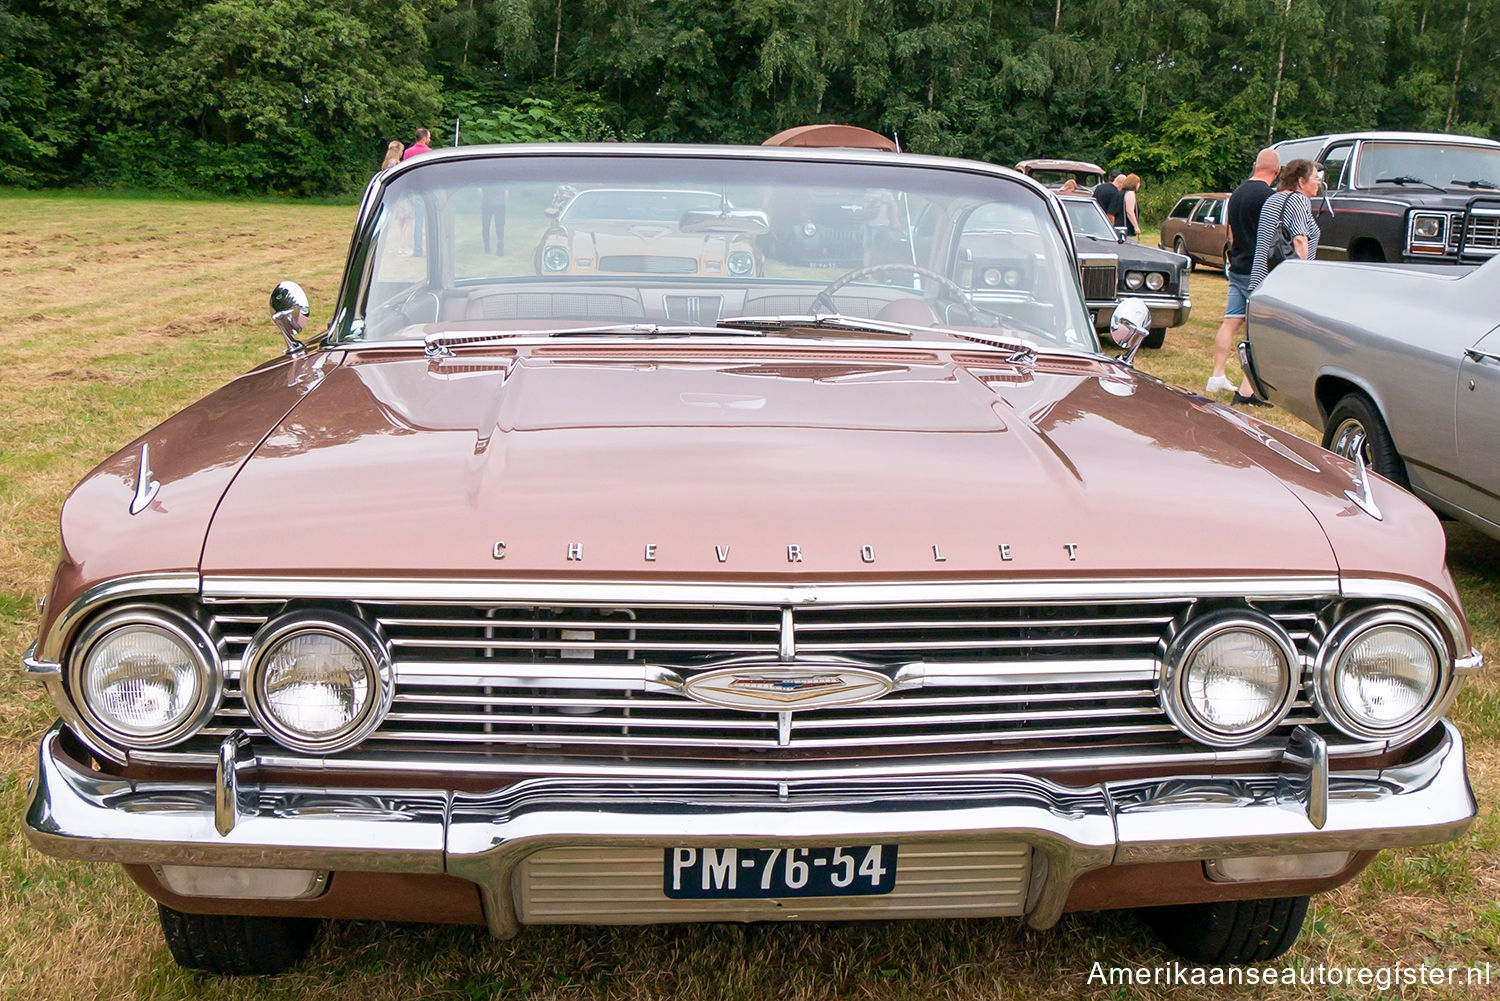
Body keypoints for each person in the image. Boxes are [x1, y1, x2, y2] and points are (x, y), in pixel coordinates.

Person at [1232, 158, 1320, 407]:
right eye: (1315, 179)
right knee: (1285, 337)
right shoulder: (1299, 201)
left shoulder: (1272, 199)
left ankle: (1246, 392)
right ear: (1301, 181)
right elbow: (1300, 240)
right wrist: (1303, 275)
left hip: (1262, 277)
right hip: (1286, 280)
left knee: (1265, 338)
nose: (1318, 184)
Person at [1206, 148, 1279, 399]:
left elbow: (1230, 232)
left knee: (1231, 321)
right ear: (1277, 171)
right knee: (1256, 329)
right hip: (1257, 269)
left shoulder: (1236, 193)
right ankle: (1249, 391)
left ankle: (1217, 376)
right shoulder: (1270, 197)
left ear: (1254, 165)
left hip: (1237, 263)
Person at [1121, 174, 1142, 240]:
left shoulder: (1121, 192)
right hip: (1127, 226)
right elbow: (1129, 211)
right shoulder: (1130, 193)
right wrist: (1136, 226)